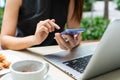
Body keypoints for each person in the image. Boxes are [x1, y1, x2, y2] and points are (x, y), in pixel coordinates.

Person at [0, 0, 84, 50]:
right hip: (25, 52)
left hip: (56, 55)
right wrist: (34, 39)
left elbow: (75, 33)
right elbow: (4, 41)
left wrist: (73, 41)